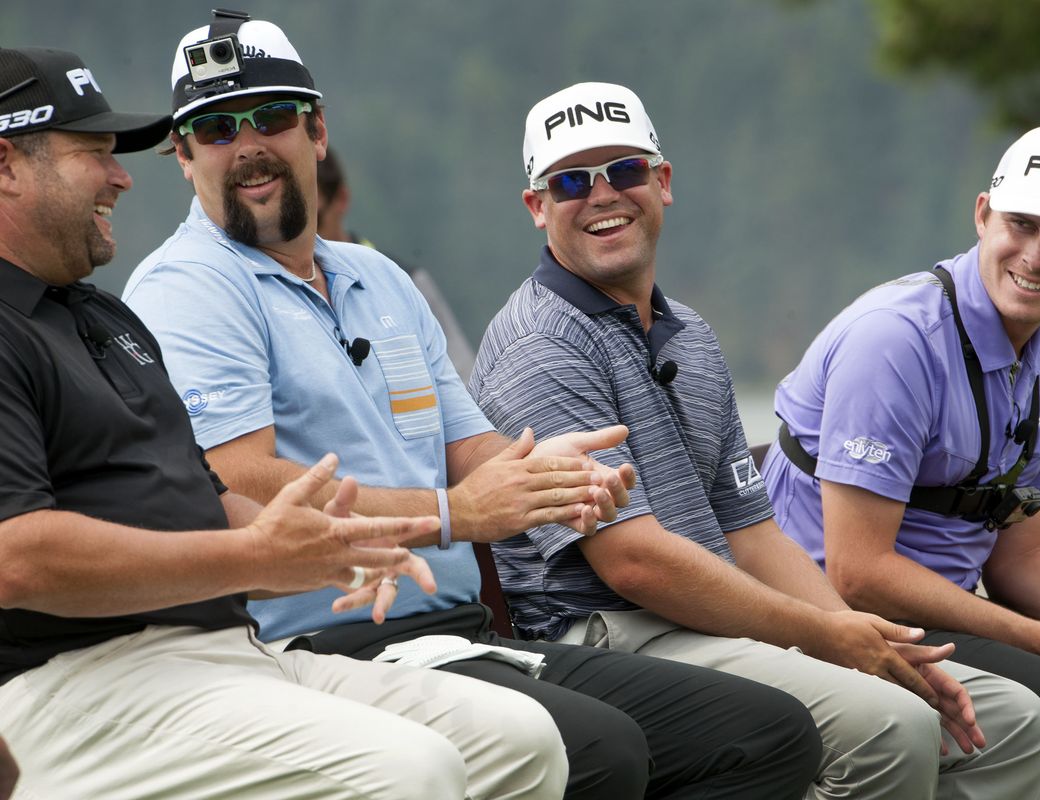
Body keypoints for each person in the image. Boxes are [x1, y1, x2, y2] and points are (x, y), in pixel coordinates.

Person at [124, 14, 822, 798]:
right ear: (182, 157)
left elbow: (472, 449)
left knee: (768, 734)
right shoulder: (186, 287)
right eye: (215, 128)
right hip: (320, 645)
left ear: (316, 131)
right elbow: (240, 479)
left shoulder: (376, 276)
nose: (247, 143)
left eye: (272, 118)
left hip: (455, 635)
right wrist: (454, 514)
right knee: (603, 750)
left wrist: (556, 477)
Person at [0, 45, 570, 800]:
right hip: (75, 682)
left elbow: (208, 496)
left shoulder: (104, 317)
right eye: (93, 154)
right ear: (6, 164)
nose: (121, 177)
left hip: (223, 650)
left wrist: (341, 545)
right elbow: (17, 556)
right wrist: (254, 559)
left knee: (524, 743)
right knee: (410, 771)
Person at [469, 80, 1040, 800]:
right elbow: (634, 564)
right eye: (570, 183)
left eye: (624, 170)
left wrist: (865, 638)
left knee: (1017, 723)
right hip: (605, 630)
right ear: (537, 207)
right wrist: (825, 636)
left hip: (711, 618)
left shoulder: (690, 332)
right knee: (892, 724)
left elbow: (753, 533)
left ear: (663, 182)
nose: (602, 196)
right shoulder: (539, 343)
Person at [762, 123, 1040, 799]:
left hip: (945, 611)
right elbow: (859, 572)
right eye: (1021, 224)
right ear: (981, 214)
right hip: (830, 617)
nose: (1036, 255)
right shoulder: (896, 339)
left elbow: (1020, 561)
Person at [316, 145, 477, 380]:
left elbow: (464, 378)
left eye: (315, 218)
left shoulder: (408, 281)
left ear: (341, 199)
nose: (307, 235)